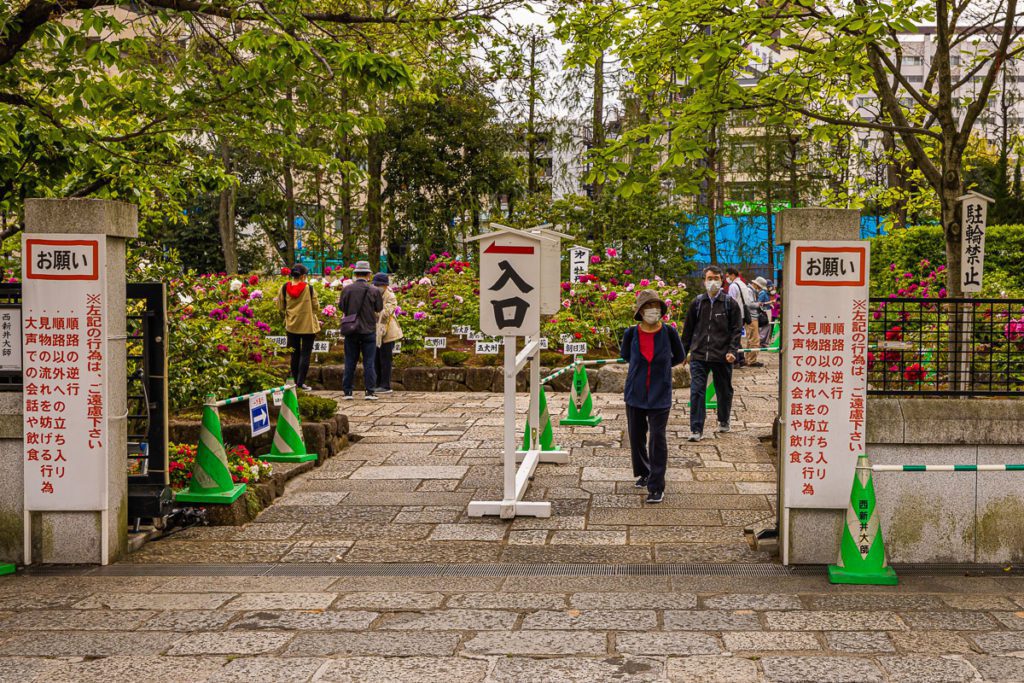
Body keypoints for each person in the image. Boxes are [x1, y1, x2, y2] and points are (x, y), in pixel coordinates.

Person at [620, 290, 686, 504]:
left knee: (657, 438)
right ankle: (644, 471)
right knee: (636, 434)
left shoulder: (669, 333)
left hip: (660, 393)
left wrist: (662, 370)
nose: (653, 311)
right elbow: (626, 356)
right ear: (640, 311)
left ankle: (656, 485)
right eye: (648, 307)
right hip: (635, 393)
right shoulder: (631, 334)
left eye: (656, 306)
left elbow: (680, 356)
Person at [680, 265, 743, 442]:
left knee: (724, 390)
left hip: (722, 356)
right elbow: (688, 330)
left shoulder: (730, 304)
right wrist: (683, 352)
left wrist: (732, 351)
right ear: (704, 281)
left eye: (716, 278)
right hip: (699, 355)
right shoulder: (697, 303)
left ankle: (724, 419)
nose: (712, 282)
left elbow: (736, 330)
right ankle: (696, 428)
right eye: (709, 278)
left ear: (722, 280)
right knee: (696, 391)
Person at [339, 260, 383, 400]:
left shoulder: (347, 290)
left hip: (351, 330)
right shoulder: (374, 290)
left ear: (355, 274)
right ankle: (369, 391)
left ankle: (347, 392)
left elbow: (342, 307)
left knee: (350, 361)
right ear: (369, 274)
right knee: (369, 362)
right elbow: (379, 308)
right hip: (368, 330)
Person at [276, 263, 321, 391]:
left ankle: (294, 382)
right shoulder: (309, 289)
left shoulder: (284, 288)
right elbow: (316, 307)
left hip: (291, 326)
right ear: (302, 276)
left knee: (294, 355)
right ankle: (301, 383)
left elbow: (280, 306)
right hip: (308, 326)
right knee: (305, 355)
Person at [726, 266, 763, 368]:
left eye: (727, 275)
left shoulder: (733, 286)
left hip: (735, 314)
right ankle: (741, 359)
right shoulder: (742, 284)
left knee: (733, 337)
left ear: (733, 275)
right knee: (737, 337)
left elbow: (731, 302)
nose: (727, 277)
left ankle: (737, 360)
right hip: (743, 314)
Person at [372, 272, 402, 394]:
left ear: (385, 285)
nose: (377, 287)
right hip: (375, 331)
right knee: (375, 359)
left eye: (379, 285)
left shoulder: (391, 296)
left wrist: (371, 311)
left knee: (385, 359)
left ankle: (385, 385)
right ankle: (377, 383)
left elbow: (385, 314)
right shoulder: (373, 294)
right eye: (375, 284)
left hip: (388, 332)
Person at [752, 276, 773, 347]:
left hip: (767, 311)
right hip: (764, 312)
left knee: (768, 327)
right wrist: (768, 303)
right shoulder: (763, 293)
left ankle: (764, 343)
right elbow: (759, 303)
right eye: (770, 286)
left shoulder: (766, 293)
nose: (771, 287)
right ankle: (759, 342)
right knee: (764, 327)